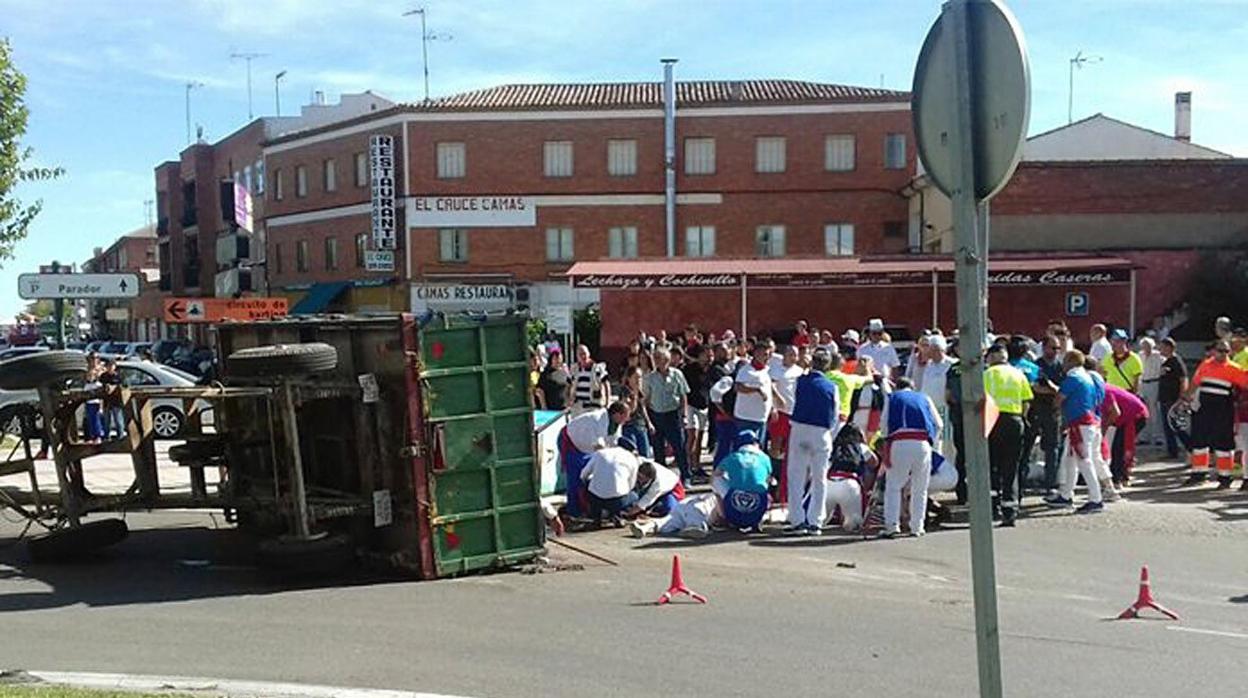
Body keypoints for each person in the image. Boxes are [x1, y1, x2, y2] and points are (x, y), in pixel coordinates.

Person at [784, 350, 840, 535]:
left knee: (796, 476)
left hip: (800, 427)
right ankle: (816, 521)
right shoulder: (832, 386)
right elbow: (835, 413)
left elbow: (792, 402)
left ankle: (797, 520)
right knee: (820, 478)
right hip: (821, 431)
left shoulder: (800, 381)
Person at [879, 377, 942, 538]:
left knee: (894, 486)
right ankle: (917, 526)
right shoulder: (924, 397)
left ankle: (892, 525)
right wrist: (932, 443)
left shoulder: (892, 398)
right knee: (920, 488)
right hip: (922, 443)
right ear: (912, 387)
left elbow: (884, 425)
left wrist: (886, 440)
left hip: (899, 442)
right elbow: (939, 424)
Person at [1182, 340, 1248, 488]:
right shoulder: (1205, 364)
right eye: (1220, 350)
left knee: (1223, 445)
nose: (1223, 354)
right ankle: (1198, 473)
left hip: (1223, 410)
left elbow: (1245, 384)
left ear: (1229, 352)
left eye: (1226, 351)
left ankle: (1225, 478)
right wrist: (1187, 397)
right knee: (1199, 442)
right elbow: (1195, 382)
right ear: (1214, 351)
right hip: (1204, 408)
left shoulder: (1234, 368)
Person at [1048, 350, 1106, 513]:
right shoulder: (1087, 377)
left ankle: (1096, 499)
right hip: (1087, 422)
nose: (1063, 365)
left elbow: (1059, 398)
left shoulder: (1073, 377)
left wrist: (1054, 403)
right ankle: (1066, 494)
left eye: (1065, 361)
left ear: (1070, 362)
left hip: (1080, 424)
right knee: (1071, 459)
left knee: (1083, 461)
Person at [983, 344, 1032, 526]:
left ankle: (993, 506)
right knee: (1011, 467)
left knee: (992, 465)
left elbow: (981, 399)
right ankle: (1010, 511)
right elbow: (1026, 401)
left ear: (992, 357)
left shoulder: (987, 374)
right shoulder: (1018, 374)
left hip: (993, 420)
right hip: (1015, 420)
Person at [559, 402, 630, 519]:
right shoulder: (597, 420)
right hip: (570, 441)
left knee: (589, 475)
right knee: (576, 477)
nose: (628, 419)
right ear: (617, 414)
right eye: (626, 415)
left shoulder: (617, 424)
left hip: (586, 447)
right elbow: (599, 448)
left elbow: (614, 443)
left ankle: (584, 506)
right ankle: (573, 510)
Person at [643, 347, 691, 484]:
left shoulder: (677, 374)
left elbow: (683, 395)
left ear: (667, 360)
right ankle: (660, 479)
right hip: (656, 415)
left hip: (673, 414)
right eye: (656, 358)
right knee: (658, 450)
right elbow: (646, 400)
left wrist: (684, 415)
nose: (658, 361)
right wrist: (649, 421)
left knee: (679, 447)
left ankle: (686, 476)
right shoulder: (650, 378)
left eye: (661, 358)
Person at [713, 430, 773, 533]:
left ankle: (723, 517)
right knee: (765, 484)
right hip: (758, 509)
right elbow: (769, 479)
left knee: (716, 480)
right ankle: (759, 520)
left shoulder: (732, 457)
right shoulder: (765, 458)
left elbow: (716, 475)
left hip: (733, 511)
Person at [1028, 336, 1065, 493]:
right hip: (1035, 410)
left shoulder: (1060, 366)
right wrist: (1053, 389)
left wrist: (1051, 388)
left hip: (1053, 411)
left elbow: (1063, 390)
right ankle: (1023, 480)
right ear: (1043, 347)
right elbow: (1035, 388)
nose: (1056, 351)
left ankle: (1050, 483)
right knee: (1028, 446)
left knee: (1052, 448)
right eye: (1052, 348)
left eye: (1058, 348)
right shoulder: (1036, 366)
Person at [824, 423, 876, 532]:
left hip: (829, 483)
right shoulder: (860, 447)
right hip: (850, 483)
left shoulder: (833, 446)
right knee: (854, 522)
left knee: (821, 518)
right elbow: (874, 463)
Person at [768, 344, 803, 498]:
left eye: (795, 355)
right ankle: (774, 475)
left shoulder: (800, 371)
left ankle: (786, 482)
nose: (793, 358)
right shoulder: (776, 370)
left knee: (791, 447)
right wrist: (778, 398)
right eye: (790, 354)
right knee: (776, 444)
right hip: (781, 412)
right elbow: (771, 385)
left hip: (794, 413)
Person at [580, 440, 642, 526]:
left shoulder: (600, 453)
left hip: (596, 499)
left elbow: (583, 475)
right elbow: (632, 483)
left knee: (590, 486)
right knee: (634, 496)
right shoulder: (631, 458)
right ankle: (618, 515)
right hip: (618, 500)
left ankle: (596, 518)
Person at [733, 341, 783, 441]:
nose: (767, 358)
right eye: (764, 354)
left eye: (769, 355)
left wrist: (773, 407)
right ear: (756, 354)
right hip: (746, 418)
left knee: (758, 449)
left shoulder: (766, 371)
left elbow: (768, 389)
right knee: (745, 448)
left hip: (761, 418)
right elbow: (738, 387)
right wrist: (756, 390)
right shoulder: (746, 370)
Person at [1102, 381, 1149, 487]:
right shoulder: (1104, 388)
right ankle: (1120, 476)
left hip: (1134, 417)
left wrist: (1103, 429)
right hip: (1130, 416)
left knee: (1120, 447)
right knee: (1120, 447)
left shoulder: (1104, 391)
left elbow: (1115, 413)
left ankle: (1118, 478)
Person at [917, 334, 957, 458]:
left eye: (933, 349)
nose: (930, 352)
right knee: (934, 441)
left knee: (947, 442)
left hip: (946, 408)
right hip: (930, 408)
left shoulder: (951, 364)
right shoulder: (928, 366)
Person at [1157, 337, 1190, 460]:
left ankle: (1191, 446)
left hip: (1173, 399)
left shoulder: (1176, 362)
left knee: (1176, 425)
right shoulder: (1166, 362)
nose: (1160, 349)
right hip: (1165, 398)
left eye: (1162, 346)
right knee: (1167, 427)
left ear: (1169, 347)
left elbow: (1183, 379)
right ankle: (1172, 451)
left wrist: (1182, 397)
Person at [682, 344, 712, 477]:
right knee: (691, 436)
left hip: (704, 406)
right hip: (691, 405)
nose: (709, 358)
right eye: (706, 355)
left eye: (711, 355)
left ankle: (697, 465)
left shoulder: (712, 370)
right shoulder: (689, 369)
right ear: (699, 356)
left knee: (700, 437)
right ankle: (687, 465)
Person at [618, 366, 653, 458]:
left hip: (640, 424)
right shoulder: (625, 392)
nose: (639, 380)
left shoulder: (640, 392)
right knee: (631, 453)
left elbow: (643, 408)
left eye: (640, 377)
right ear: (629, 378)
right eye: (636, 377)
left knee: (645, 454)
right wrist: (634, 396)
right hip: (629, 425)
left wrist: (649, 423)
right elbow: (630, 410)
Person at [569, 344, 611, 415]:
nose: (583, 356)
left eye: (584, 353)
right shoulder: (574, 369)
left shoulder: (598, 368)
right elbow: (568, 385)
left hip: (593, 406)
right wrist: (569, 399)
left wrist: (607, 402)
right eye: (580, 354)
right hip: (578, 406)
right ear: (577, 356)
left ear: (588, 354)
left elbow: (606, 384)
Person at [1138, 337, 1164, 445]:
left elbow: (1164, 368)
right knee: (1143, 411)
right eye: (1144, 346)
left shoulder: (1158, 356)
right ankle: (1144, 437)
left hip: (1154, 383)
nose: (1146, 348)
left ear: (1152, 346)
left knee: (1154, 411)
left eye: (1148, 346)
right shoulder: (1139, 355)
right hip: (1143, 383)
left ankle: (1158, 437)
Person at [1101, 328, 1143, 394]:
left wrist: (1135, 394)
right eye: (1112, 341)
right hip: (1111, 391)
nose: (1114, 343)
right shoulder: (1108, 357)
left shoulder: (1134, 358)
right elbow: (1103, 375)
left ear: (1124, 341)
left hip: (1127, 392)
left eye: (1117, 341)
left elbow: (1137, 379)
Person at [82, 353, 105, 444]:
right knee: (89, 417)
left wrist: (97, 371)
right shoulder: (87, 369)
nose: (93, 361)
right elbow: (87, 378)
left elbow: (99, 378)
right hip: (88, 394)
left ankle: (98, 435)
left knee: (97, 416)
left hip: (97, 395)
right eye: (91, 359)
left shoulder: (100, 369)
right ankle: (91, 436)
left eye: (95, 358)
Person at [99, 359, 125, 439]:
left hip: (116, 401)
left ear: (115, 366)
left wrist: (114, 387)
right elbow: (100, 386)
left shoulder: (118, 376)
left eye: (111, 366)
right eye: (108, 366)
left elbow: (124, 387)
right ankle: (106, 437)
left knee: (118, 420)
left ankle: (120, 436)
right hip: (106, 401)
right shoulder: (103, 376)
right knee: (106, 421)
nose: (110, 368)